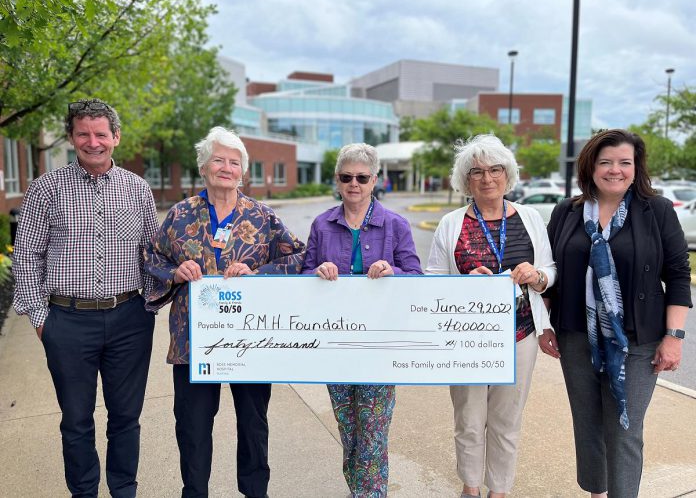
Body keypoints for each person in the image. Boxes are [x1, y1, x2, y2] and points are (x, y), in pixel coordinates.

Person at [144, 126, 305, 498]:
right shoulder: (181, 214)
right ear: (204, 166)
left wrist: (257, 272)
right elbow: (152, 256)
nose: (226, 168)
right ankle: (195, 492)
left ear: (243, 172)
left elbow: (299, 257)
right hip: (193, 344)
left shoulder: (263, 216)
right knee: (193, 428)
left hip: (249, 341)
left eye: (234, 162)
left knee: (252, 425)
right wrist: (175, 272)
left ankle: (254, 492)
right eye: (218, 159)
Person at [12, 98, 158, 497]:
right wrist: (42, 319)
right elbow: (26, 255)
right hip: (67, 322)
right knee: (76, 420)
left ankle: (124, 489)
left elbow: (153, 253)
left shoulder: (138, 189)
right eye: (83, 134)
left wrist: (154, 302)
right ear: (72, 136)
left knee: (126, 417)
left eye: (100, 134)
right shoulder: (46, 188)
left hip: (130, 319)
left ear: (116, 137)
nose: (92, 142)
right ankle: (84, 492)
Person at [541, 129, 691, 498]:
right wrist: (545, 324)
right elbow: (549, 272)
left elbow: (677, 273)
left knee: (624, 430)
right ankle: (596, 492)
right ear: (590, 166)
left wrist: (674, 337)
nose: (615, 170)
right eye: (605, 162)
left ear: (636, 166)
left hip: (638, 340)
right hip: (577, 336)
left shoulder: (655, 210)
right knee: (588, 424)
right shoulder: (567, 212)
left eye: (625, 162)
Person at [425, 134, 556, 498]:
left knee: (506, 420)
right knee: (468, 419)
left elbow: (550, 270)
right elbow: (432, 279)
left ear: (507, 174)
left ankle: (498, 490)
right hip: (466, 338)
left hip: (520, 335)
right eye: (476, 171)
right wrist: (464, 282)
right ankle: (470, 487)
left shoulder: (529, 218)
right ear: (465, 179)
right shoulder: (451, 223)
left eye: (495, 169)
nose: (487, 178)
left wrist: (538, 276)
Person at [301, 142, 422, 497]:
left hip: (378, 347)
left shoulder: (395, 225)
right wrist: (315, 272)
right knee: (349, 430)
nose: (354, 183)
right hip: (335, 345)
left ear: (374, 181)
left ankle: (370, 494)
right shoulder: (322, 225)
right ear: (338, 180)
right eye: (346, 176)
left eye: (362, 177)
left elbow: (415, 276)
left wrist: (393, 270)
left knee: (373, 431)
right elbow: (304, 275)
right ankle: (360, 490)